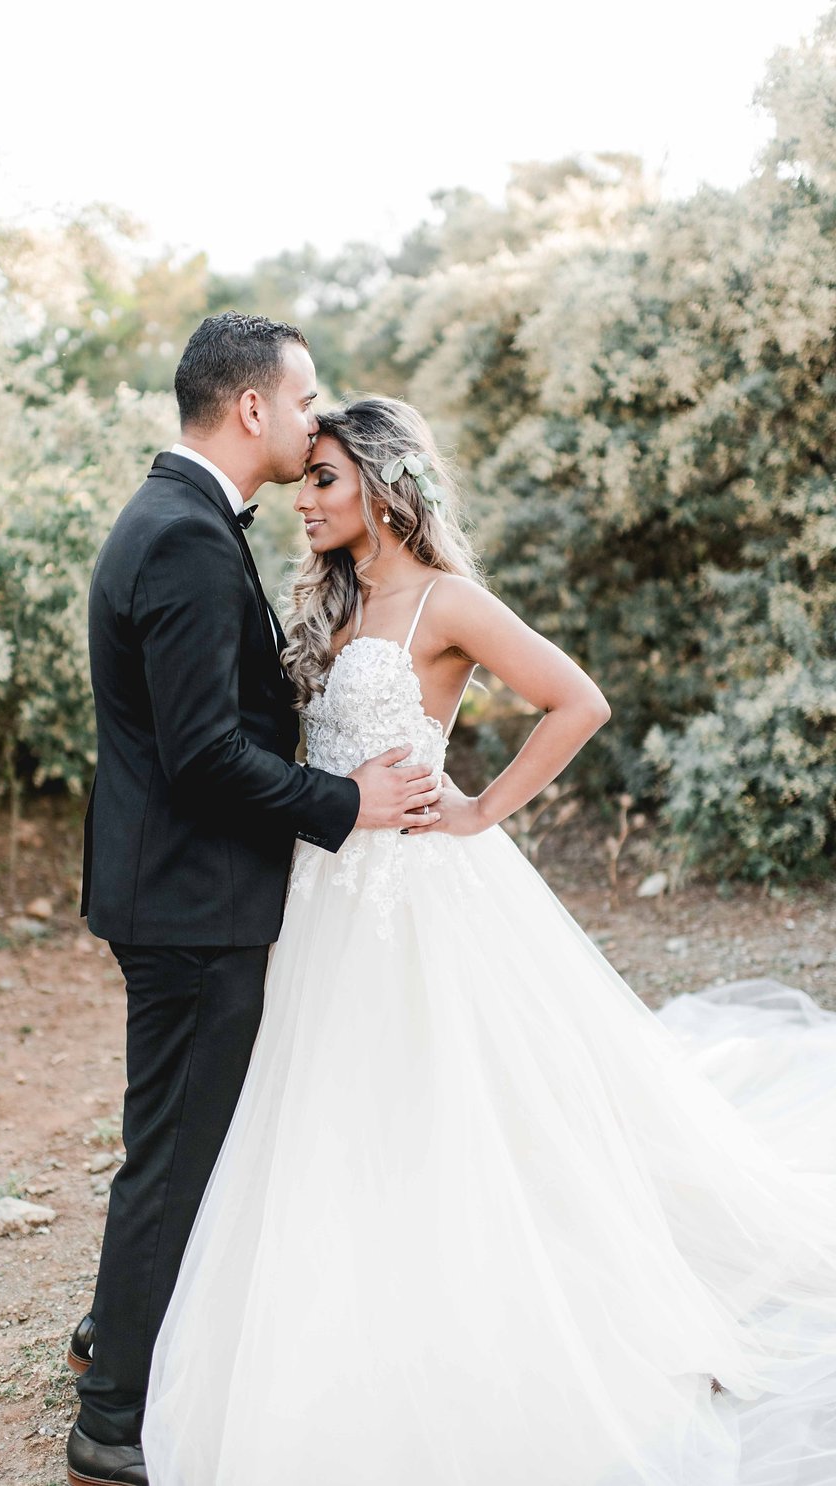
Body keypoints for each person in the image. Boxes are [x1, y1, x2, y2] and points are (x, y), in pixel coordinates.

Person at [140, 395, 836, 1485]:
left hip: (416, 894)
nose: (304, 499)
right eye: (304, 477)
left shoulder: (447, 601)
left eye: (323, 478)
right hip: (321, 894)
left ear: (380, 482)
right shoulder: (327, 598)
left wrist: (476, 809)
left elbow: (578, 701)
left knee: (447, 1096)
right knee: (332, 1107)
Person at [68, 327, 443, 1486]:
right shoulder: (181, 536)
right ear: (248, 410)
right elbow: (202, 758)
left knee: (165, 1139)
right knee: (176, 1151)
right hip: (190, 901)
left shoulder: (175, 519)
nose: (312, 418)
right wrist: (348, 799)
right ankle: (113, 1417)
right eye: (304, 398)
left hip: (176, 889)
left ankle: (108, 1332)